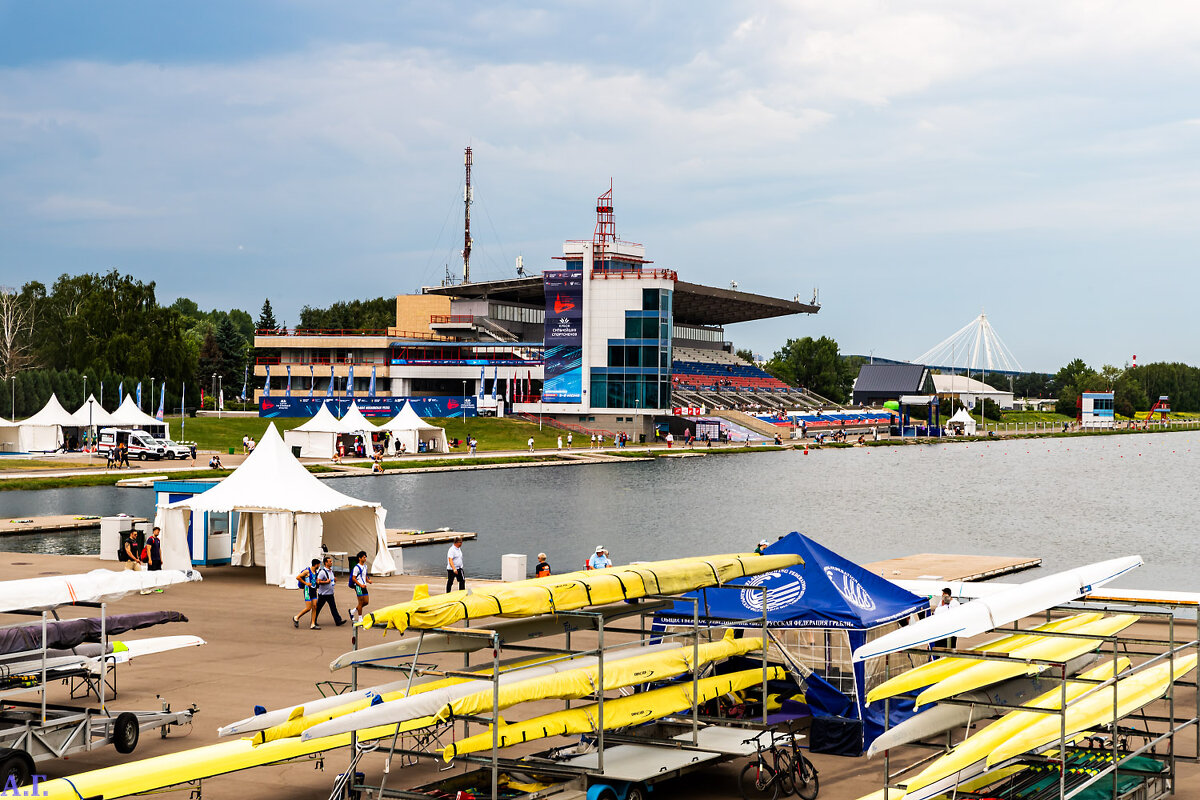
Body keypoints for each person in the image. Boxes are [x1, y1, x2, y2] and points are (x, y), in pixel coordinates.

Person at [313, 555, 347, 628]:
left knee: (333, 607)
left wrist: (334, 579)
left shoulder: (331, 571)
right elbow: (318, 581)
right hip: (323, 594)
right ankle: (313, 620)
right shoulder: (322, 572)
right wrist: (325, 582)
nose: (331, 562)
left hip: (330, 593)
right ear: (326, 563)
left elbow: (331, 579)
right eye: (330, 561)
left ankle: (338, 621)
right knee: (318, 608)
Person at [293, 558, 320, 628]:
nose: (319, 566)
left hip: (314, 590)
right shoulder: (307, 571)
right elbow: (298, 577)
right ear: (316, 565)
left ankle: (313, 624)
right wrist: (306, 583)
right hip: (307, 591)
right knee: (308, 608)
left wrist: (317, 582)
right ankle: (296, 617)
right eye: (319, 565)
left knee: (315, 606)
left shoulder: (315, 572)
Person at [349, 550, 372, 622]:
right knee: (361, 602)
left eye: (365, 557)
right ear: (360, 558)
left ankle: (352, 611)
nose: (365, 559)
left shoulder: (365, 566)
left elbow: (365, 576)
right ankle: (360, 618)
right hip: (358, 586)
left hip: (364, 586)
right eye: (364, 557)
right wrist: (360, 585)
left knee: (366, 602)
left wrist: (368, 581)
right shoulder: (356, 567)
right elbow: (353, 578)